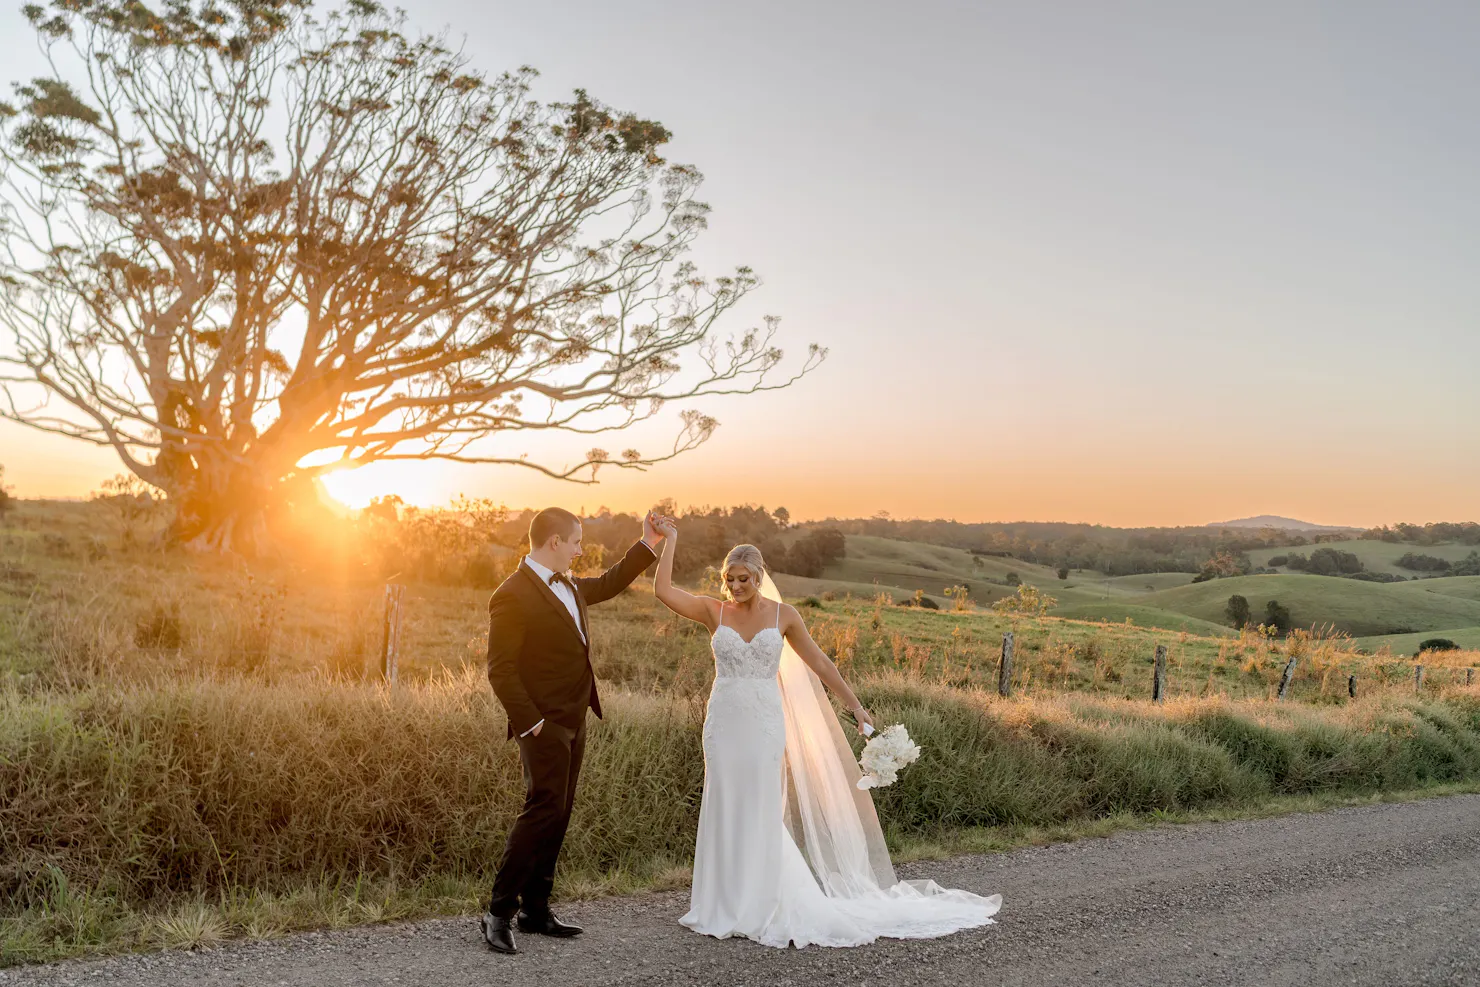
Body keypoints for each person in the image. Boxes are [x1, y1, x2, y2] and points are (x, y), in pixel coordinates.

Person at [652, 521, 1002, 948]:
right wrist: (669, 541)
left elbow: (820, 664)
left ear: (760, 577)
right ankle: (721, 902)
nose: (736, 586)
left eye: (744, 579)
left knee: (760, 806)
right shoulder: (714, 611)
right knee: (724, 802)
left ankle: (762, 902)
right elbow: (664, 591)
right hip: (723, 723)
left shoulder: (785, 616)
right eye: (730, 579)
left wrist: (856, 707)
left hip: (763, 724)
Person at [480, 507, 666, 955]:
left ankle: (536, 910)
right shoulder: (512, 594)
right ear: (554, 542)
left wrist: (649, 544)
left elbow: (609, 583)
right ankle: (498, 912)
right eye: (577, 541)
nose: (582, 549)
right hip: (541, 725)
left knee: (559, 812)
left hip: (575, 718)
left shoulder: (569, 585)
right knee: (541, 810)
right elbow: (500, 671)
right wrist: (534, 723)